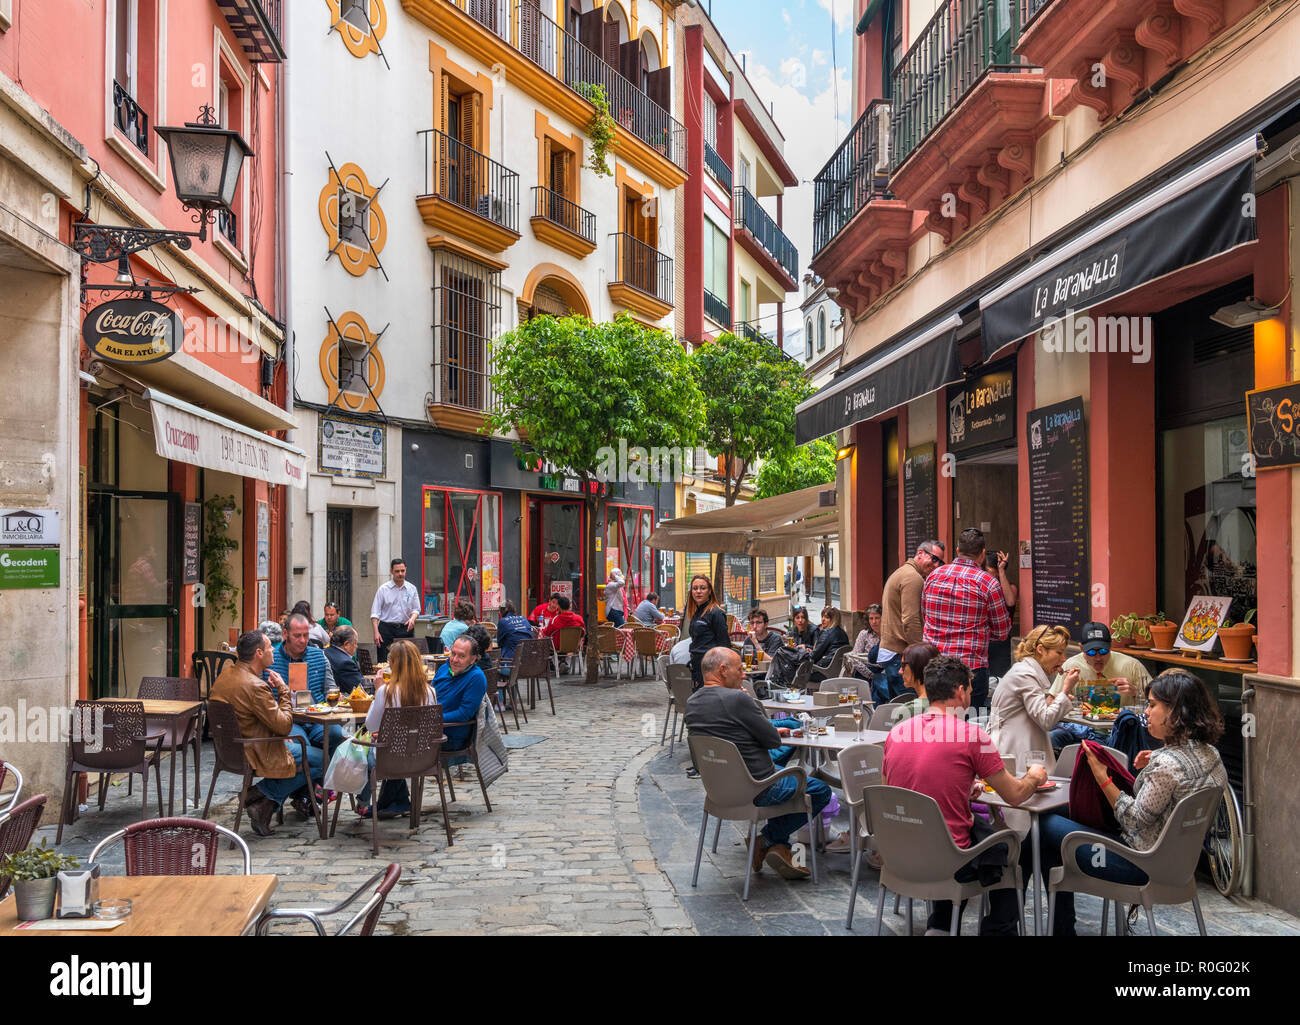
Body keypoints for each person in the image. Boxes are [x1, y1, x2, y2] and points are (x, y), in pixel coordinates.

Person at [1035, 670, 1229, 936]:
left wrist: (1103, 779)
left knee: (1042, 825)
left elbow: (1133, 819)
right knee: (1059, 814)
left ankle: (1036, 924)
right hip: (1181, 865)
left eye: (1152, 705)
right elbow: (1180, 782)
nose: (1146, 712)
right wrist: (1157, 757)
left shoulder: (1167, 766)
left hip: (1140, 865)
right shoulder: (1213, 756)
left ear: (1176, 712)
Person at [883, 654, 1048, 935]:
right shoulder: (972, 736)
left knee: (960, 832)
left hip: (898, 856)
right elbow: (1015, 796)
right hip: (948, 862)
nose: (971, 694)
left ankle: (941, 926)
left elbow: (892, 790)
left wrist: (956, 787)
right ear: (960, 692)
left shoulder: (896, 733)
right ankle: (998, 929)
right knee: (1012, 848)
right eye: (970, 689)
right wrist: (1034, 776)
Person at [684, 646, 832, 880]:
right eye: (740, 669)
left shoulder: (691, 703)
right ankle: (769, 839)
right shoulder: (737, 699)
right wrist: (749, 701)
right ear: (723, 670)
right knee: (820, 790)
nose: (744, 674)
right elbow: (772, 740)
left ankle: (778, 843)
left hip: (717, 788)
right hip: (757, 786)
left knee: (785, 751)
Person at [210, 630, 323, 836]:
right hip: (256, 751)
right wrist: (283, 690)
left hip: (230, 750)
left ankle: (265, 802)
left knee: (304, 751)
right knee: (323, 758)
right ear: (259, 653)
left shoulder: (225, 675)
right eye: (270, 646)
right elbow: (284, 726)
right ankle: (263, 796)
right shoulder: (255, 686)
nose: (274, 649)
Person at [922, 527, 1010, 712]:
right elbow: (1002, 632)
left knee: (937, 726)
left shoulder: (933, 577)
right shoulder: (988, 583)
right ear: (983, 554)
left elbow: (926, 615)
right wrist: (983, 632)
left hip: (934, 666)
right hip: (969, 669)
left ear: (957, 551)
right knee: (968, 730)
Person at [988, 624, 1080, 778]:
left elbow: (1029, 712)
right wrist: (1065, 690)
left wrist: (1053, 701)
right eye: (1059, 653)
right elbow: (1045, 720)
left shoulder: (1023, 671)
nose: (1064, 659)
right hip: (1015, 750)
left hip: (1014, 746)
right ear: (1040, 650)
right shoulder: (1025, 674)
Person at [357, 639, 434, 819]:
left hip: (389, 758)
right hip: (422, 757)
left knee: (362, 749)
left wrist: (378, 692)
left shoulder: (387, 692)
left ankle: (362, 800)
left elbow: (371, 725)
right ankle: (399, 803)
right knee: (397, 747)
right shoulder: (430, 691)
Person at [878, 541, 945, 704]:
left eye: (940, 562)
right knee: (911, 709)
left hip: (893, 653)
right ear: (920, 553)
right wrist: (922, 655)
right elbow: (910, 620)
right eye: (934, 559)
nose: (936, 565)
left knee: (899, 710)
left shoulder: (903, 572)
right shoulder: (913, 578)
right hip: (900, 654)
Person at [432, 635, 489, 752]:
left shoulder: (476, 677)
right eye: (453, 653)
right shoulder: (444, 668)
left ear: (472, 659)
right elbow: (429, 697)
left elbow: (464, 714)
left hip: (451, 735)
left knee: (405, 745)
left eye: (461, 656)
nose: (454, 659)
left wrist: (434, 719)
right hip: (433, 727)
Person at [684, 574, 730, 691]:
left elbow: (724, 645)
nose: (698, 591)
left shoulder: (716, 613)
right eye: (695, 588)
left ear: (709, 591)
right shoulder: (696, 612)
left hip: (711, 669)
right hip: (697, 667)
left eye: (702, 588)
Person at [371, 558, 421, 662]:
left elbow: (416, 609)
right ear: (391, 572)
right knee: (384, 660)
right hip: (386, 629)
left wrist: (412, 619)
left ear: (406, 570)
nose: (400, 574)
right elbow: (375, 613)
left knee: (407, 660)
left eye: (402, 571)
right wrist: (376, 632)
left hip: (406, 629)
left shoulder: (412, 589)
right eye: (397, 571)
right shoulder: (383, 589)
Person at [985, 551, 1018, 677]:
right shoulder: (981, 586)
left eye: (987, 569)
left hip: (1001, 643)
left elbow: (1010, 601)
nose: (984, 573)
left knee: (999, 679)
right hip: (984, 641)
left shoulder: (1010, 587)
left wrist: (1001, 570)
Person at [892, 642, 940, 722]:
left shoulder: (908, 711)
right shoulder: (951, 704)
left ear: (917, 666)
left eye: (903, 666)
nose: (900, 671)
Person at [807, 607, 850, 682]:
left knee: (796, 670)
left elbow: (813, 656)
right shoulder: (843, 634)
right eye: (822, 616)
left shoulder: (827, 632)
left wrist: (802, 653)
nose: (823, 619)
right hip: (838, 673)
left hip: (823, 673)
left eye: (827, 617)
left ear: (834, 619)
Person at [323, 624, 368, 695]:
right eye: (355, 643)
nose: (356, 646)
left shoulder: (324, 652)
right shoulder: (346, 663)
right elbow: (361, 691)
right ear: (346, 644)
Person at [494, 600, 536, 674]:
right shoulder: (524, 619)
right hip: (528, 664)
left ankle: (505, 685)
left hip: (511, 666)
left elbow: (499, 643)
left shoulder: (502, 622)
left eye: (500, 610)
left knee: (492, 668)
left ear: (503, 611)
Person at [845, 603, 882, 681]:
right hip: (865, 672)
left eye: (877, 618)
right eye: (871, 618)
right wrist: (870, 675)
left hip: (884, 672)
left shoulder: (889, 635)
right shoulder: (864, 634)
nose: (874, 622)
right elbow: (854, 658)